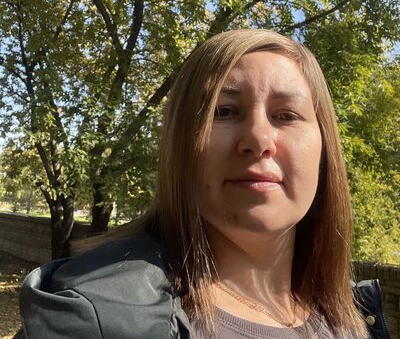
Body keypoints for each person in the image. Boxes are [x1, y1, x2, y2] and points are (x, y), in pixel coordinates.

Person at [17, 29, 387, 338]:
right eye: (223, 111)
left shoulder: (355, 316)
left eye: (286, 115)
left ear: (325, 148)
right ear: (180, 144)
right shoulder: (91, 318)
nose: (258, 138)